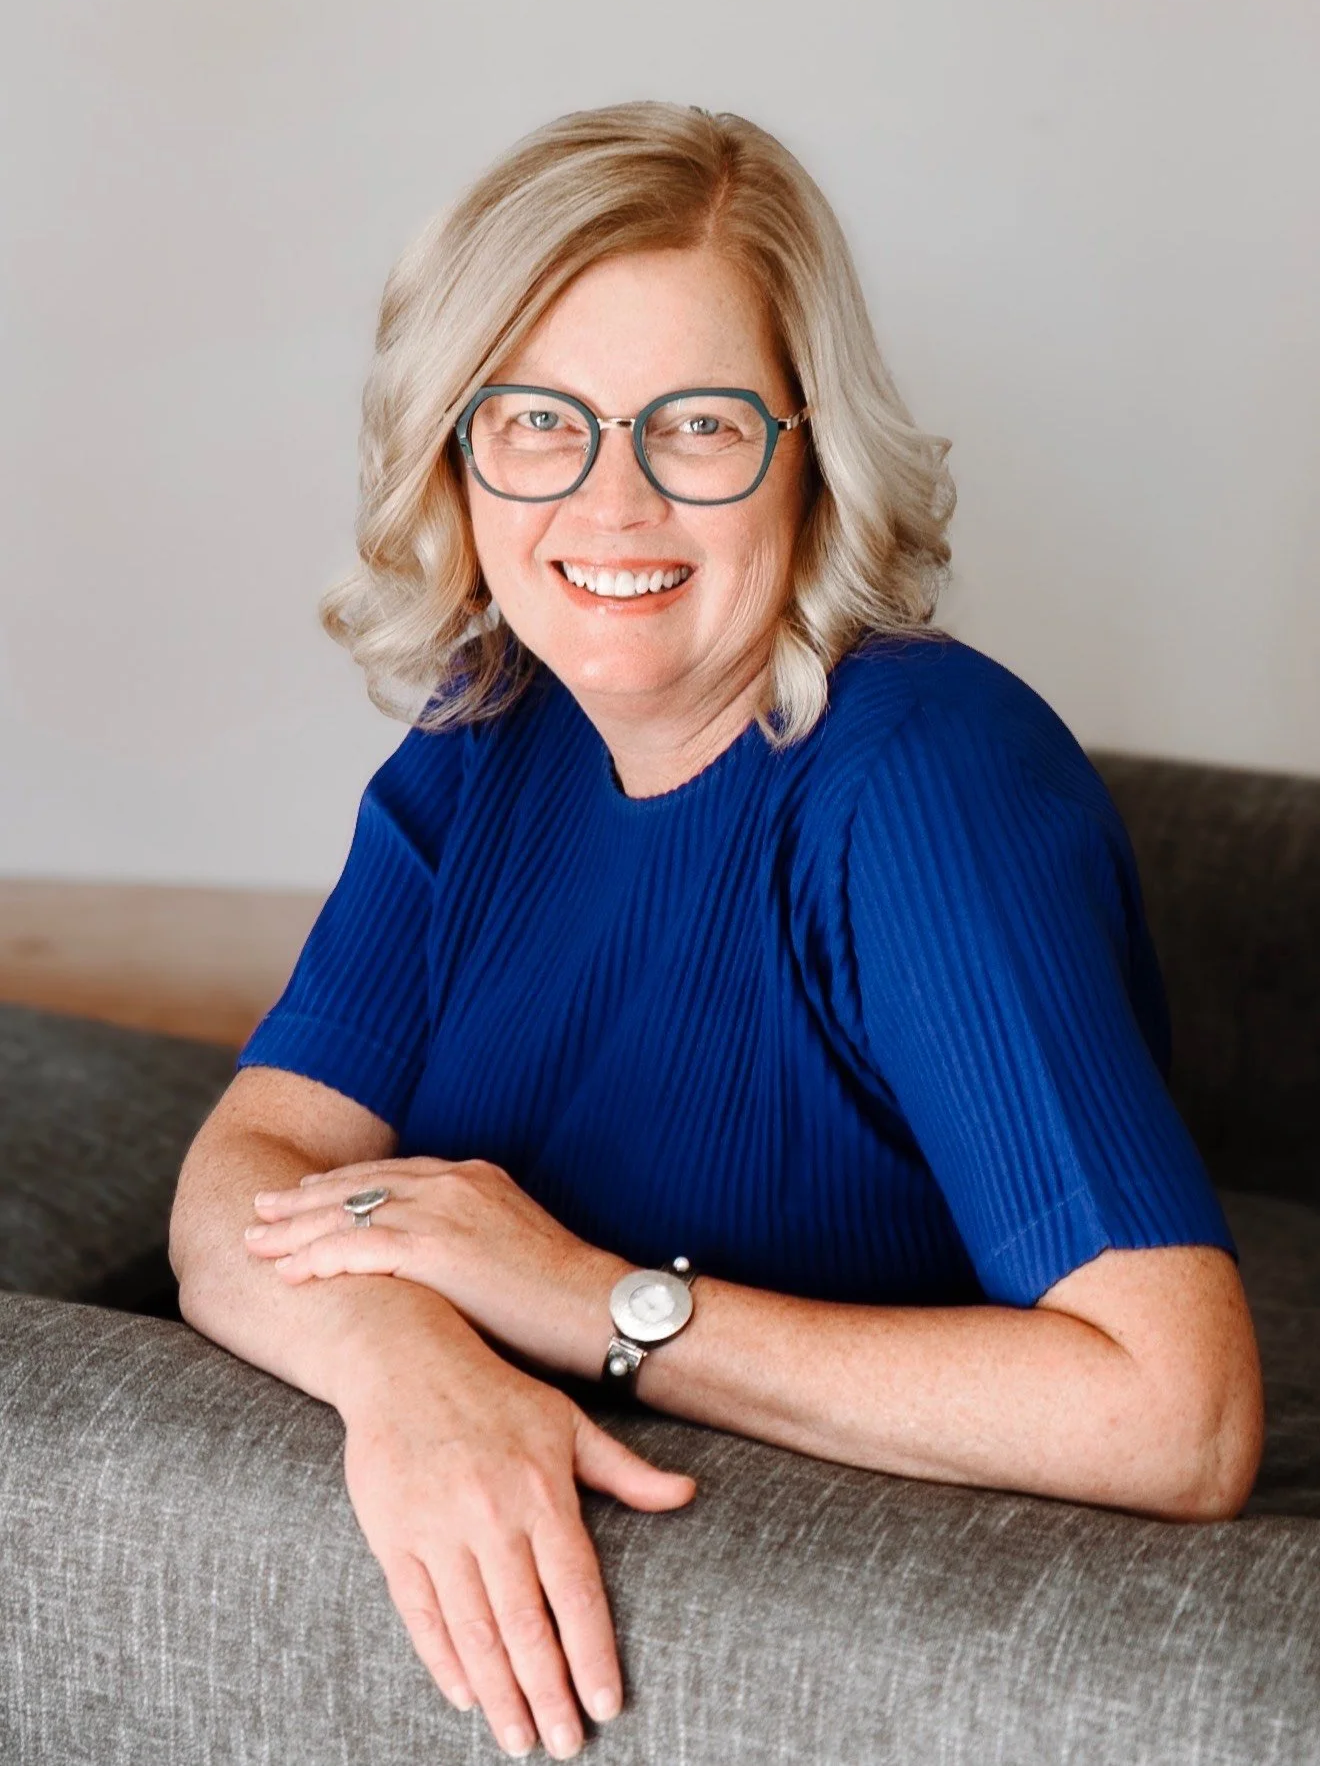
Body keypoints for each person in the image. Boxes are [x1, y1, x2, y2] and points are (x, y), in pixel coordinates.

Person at [168, 100, 1264, 1763]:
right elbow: (244, 1169)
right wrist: (407, 1373)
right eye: (538, 421)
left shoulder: (919, 782)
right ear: (456, 456)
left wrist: (592, 1302)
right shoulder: (481, 737)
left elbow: (1178, 1413)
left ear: (808, 452)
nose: (609, 506)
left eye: (693, 427)